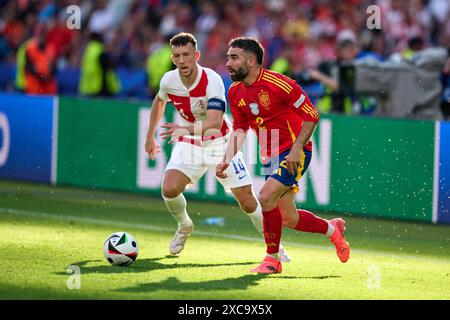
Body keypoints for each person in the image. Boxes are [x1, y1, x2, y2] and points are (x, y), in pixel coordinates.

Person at [144, 32, 290, 261]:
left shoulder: (211, 80)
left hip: (220, 143)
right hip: (190, 143)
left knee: (248, 201)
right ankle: (184, 225)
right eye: (177, 56)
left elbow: (213, 122)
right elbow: (160, 100)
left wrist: (185, 129)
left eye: (186, 55)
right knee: (169, 189)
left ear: (196, 55)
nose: (182, 61)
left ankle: (275, 248)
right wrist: (150, 136)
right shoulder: (168, 80)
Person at [217, 37, 350, 274]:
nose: (228, 63)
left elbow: (312, 114)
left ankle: (272, 259)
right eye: (228, 57)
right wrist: (226, 159)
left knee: (265, 197)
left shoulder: (280, 84)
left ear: (251, 60)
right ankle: (332, 229)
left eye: (234, 57)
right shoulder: (235, 91)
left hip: (295, 151)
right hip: (270, 154)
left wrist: (298, 148)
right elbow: (240, 127)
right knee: (288, 218)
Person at [78, 32, 120, 97]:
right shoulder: (101, 52)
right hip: (100, 87)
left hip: (87, 88)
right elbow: (109, 71)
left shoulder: (87, 52)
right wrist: (114, 87)